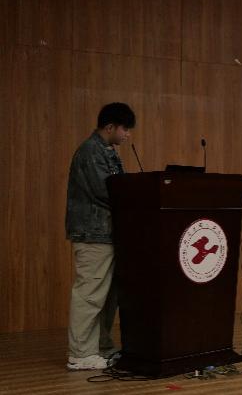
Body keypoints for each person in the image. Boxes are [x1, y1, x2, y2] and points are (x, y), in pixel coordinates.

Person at [65, 102, 135, 370]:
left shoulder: (107, 151)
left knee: (107, 297)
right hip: (93, 234)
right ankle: (81, 353)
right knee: (90, 293)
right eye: (125, 129)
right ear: (110, 127)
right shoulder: (90, 152)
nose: (128, 134)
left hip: (109, 234)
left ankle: (101, 347)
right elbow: (107, 192)